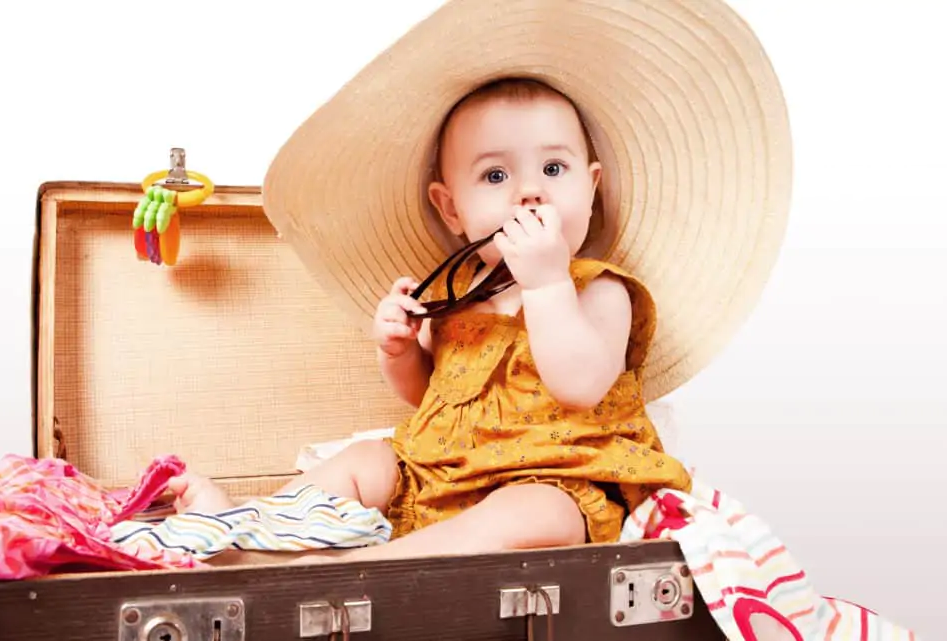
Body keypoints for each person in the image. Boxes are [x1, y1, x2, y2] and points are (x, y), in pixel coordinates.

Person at [169, 77, 694, 561]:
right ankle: (246, 528)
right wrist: (398, 351)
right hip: (436, 474)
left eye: (554, 170)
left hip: (555, 480)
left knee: (535, 514)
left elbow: (580, 385)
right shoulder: (453, 300)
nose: (530, 192)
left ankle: (360, 566)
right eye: (495, 175)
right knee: (365, 461)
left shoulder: (596, 289)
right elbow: (430, 395)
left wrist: (547, 282)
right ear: (451, 209)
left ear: (591, 185)